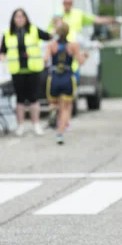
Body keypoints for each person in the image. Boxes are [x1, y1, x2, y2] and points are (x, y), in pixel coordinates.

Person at [0, 8, 51, 136]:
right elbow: (2, 52)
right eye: (17, 17)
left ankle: (36, 124)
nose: (20, 19)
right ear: (13, 19)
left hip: (33, 69)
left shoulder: (33, 30)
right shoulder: (7, 34)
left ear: (26, 18)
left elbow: (49, 37)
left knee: (34, 97)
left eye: (22, 16)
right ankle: (20, 125)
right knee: (20, 98)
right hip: (17, 70)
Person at [44, 21, 88, 145]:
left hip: (54, 78)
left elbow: (46, 60)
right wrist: (85, 56)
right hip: (67, 78)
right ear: (68, 32)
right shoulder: (74, 46)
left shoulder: (51, 45)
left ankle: (52, 110)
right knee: (66, 108)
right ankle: (60, 133)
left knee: (53, 102)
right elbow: (80, 62)